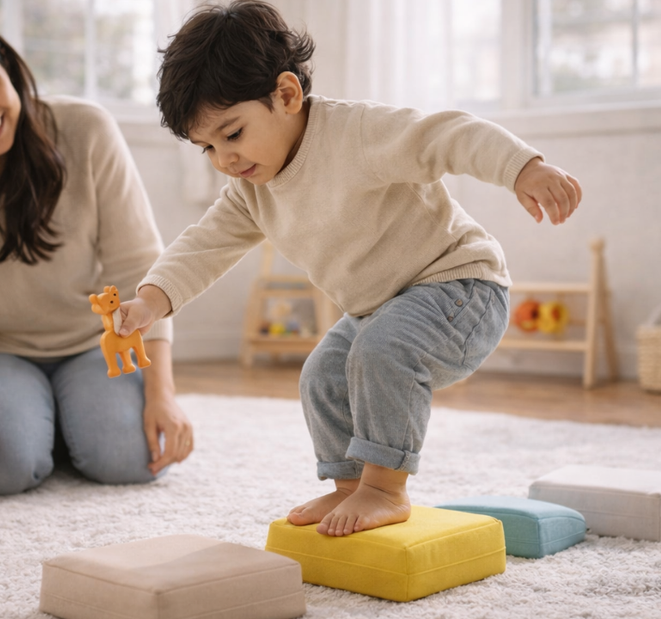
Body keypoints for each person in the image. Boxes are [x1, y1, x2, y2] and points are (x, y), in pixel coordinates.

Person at [119, 0, 582, 535]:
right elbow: (205, 245)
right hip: (378, 310)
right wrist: (152, 299)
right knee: (322, 374)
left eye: (233, 133)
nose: (224, 158)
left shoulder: (358, 133)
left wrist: (523, 166)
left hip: (461, 288)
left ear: (286, 95)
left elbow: (449, 135)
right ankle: (349, 488)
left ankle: (386, 489)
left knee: (381, 349)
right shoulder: (251, 189)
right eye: (206, 148)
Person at [0, 7, 193, 496]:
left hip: (92, 345)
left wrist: (163, 395)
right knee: (0, 469)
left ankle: (53, 422)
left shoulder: (86, 129)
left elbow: (140, 272)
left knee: (132, 459)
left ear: (7, 65)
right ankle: (38, 425)